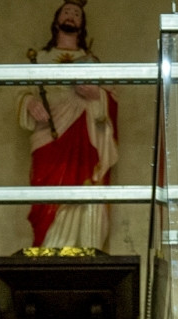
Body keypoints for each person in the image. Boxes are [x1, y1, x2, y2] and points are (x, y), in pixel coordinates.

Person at [19, 0, 118, 250]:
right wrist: (30, 103)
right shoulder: (39, 59)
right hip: (49, 139)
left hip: (85, 138)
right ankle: (49, 247)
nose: (71, 16)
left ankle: (86, 247)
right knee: (49, 191)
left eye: (77, 14)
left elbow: (111, 100)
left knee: (88, 187)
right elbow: (23, 93)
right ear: (57, 20)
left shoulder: (92, 61)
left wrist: (97, 97)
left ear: (82, 24)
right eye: (67, 12)